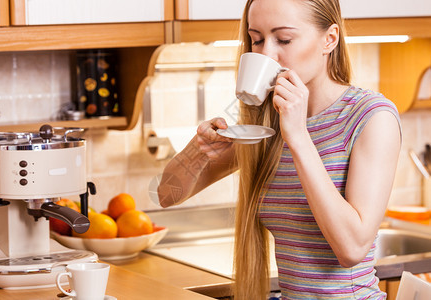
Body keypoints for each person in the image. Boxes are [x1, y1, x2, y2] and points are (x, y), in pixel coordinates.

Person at [157, 0, 401, 299]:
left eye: (283, 39)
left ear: (330, 39)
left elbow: (352, 248)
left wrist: (298, 137)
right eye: (257, 39)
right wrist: (197, 151)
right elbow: (165, 195)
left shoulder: (371, 116)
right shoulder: (266, 122)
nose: (266, 54)